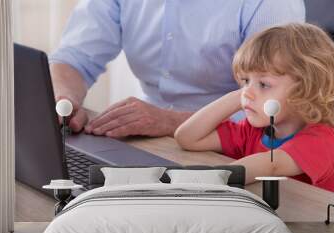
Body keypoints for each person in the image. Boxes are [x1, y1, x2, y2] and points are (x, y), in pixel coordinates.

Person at [49, 0, 305, 138]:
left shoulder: (271, 3)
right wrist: (65, 100)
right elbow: (75, 57)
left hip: (235, 148)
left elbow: (277, 108)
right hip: (150, 141)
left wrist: (170, 121)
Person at [174, 23, 334, 194]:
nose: (248, 92)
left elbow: (271, 165)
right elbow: (188, 137)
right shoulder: (253, 130)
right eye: (246, 81)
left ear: (307, 89)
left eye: (263, 84)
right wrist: (237, 97)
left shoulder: (321, 138)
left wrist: (204, 180)